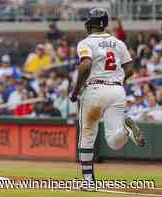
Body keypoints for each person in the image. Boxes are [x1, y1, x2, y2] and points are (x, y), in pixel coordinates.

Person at [70, 8, 145, 190]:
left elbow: (86, 64)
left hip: (95, 90)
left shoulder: (86, 42)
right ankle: (126, 130)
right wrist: (118, 82)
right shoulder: (118, 43)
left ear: (91, 24)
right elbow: (129, 70)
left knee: (87, 136)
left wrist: (76, 89)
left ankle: (88, 181)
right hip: (117, 90)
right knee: (114, 141)